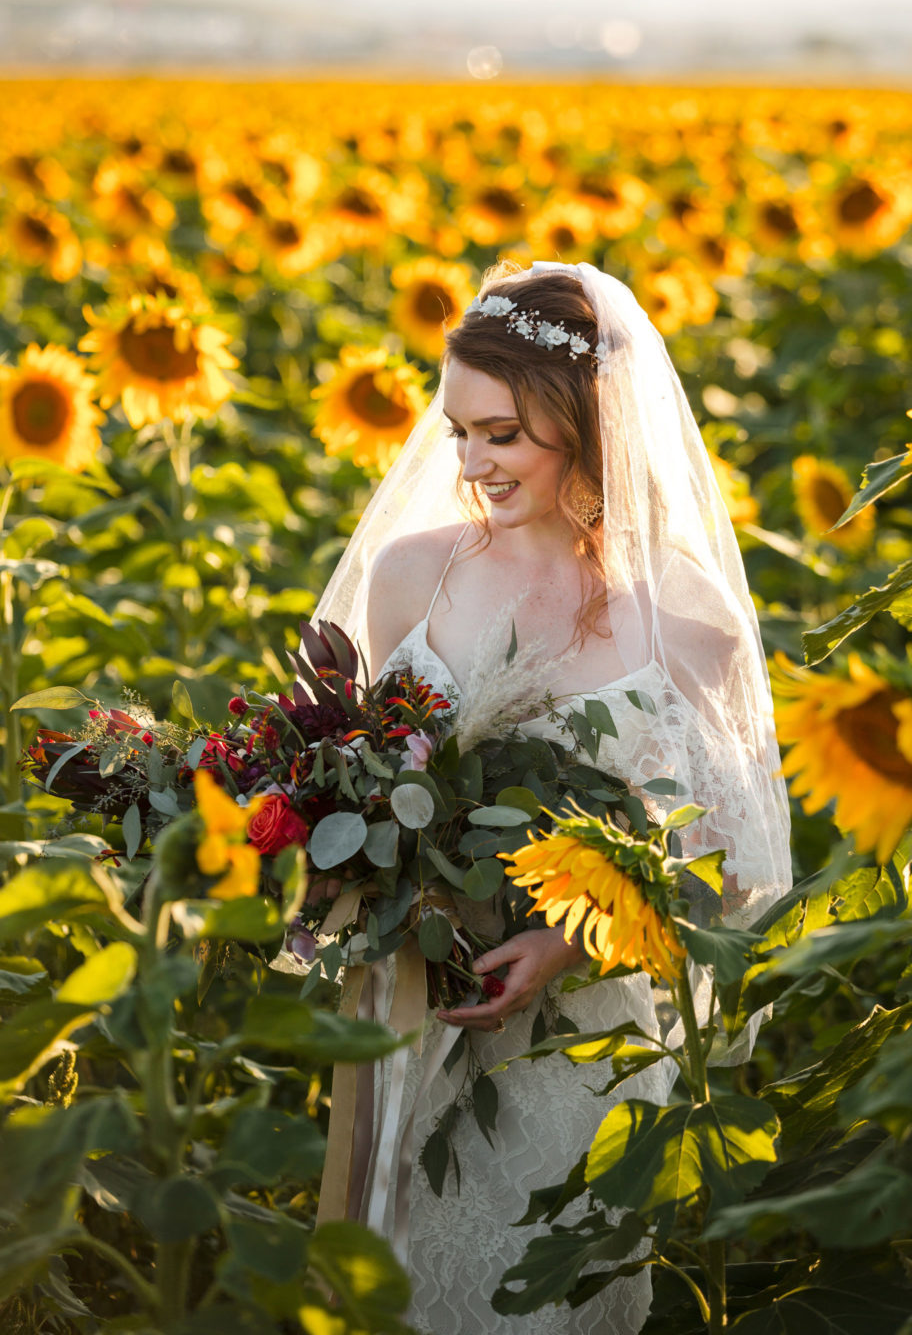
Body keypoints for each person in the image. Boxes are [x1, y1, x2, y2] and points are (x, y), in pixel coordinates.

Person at [311, 260, 793, 1334]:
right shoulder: (411, 575)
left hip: (584, 1030)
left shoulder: (682, 612)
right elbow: (371, 776)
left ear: (584, 423)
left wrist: (568, 942)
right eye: (459, 432)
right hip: (417, 1000)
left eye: (504, 434)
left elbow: (722, 848)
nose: (474, 463)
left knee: (539, 1294)